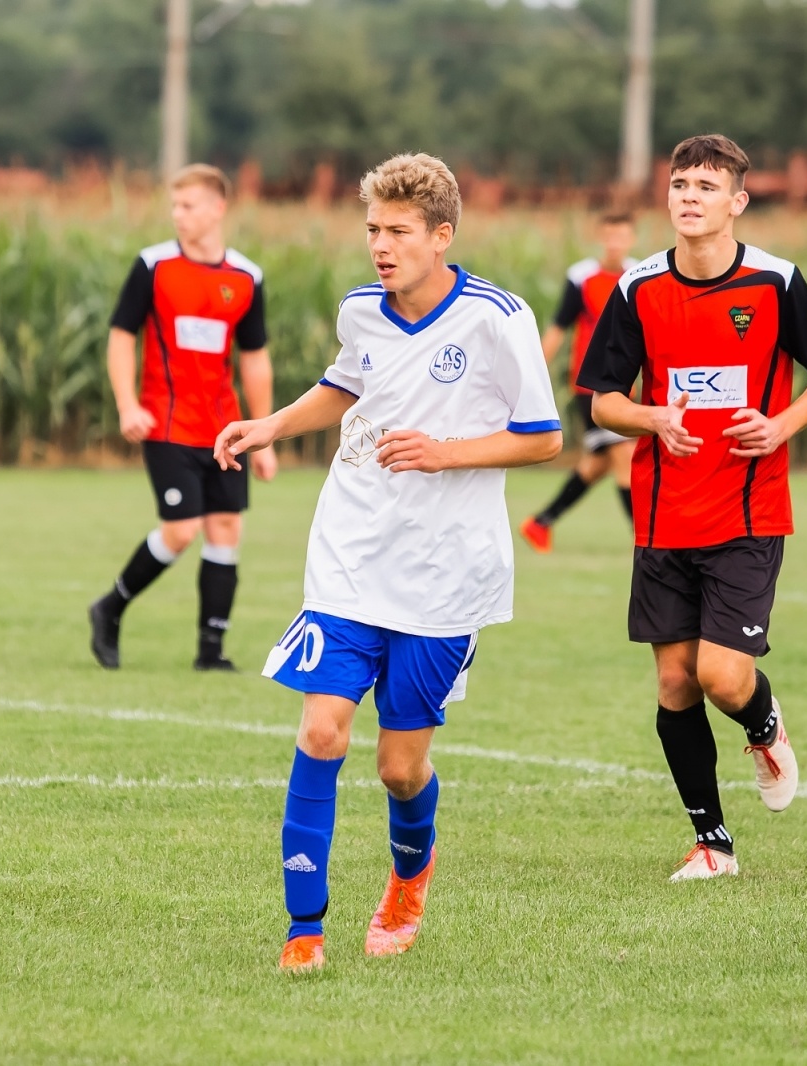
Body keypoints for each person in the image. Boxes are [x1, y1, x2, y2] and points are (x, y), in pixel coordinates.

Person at [212, 153, 562, 973]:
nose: (380, 244)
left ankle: (409, 880)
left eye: (398, 231)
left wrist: (445, 454)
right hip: (350, 556)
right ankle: (305, 930)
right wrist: (270, 425)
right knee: (322, 728)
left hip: (446, 576)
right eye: (373, 229)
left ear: (442, 236)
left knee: (400, 769)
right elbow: (343, 385)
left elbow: (544, 436)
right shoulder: (360, 311)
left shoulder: (496, 318)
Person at [576, 134, 807, 881]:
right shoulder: (636, 288)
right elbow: (603, 398)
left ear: (737, 200)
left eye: (707, 185)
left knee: (722, 679)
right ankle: (713, 844)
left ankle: (764, 725)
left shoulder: (774, 282)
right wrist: (652, 418)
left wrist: (781, 426)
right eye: (679, 183)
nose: (689, 196)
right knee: (674, 682)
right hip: (664, 513)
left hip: (747, 511)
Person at [87, 164, 277, 672]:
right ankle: (110, 608)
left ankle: (210, 653)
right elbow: (121, 337)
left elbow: (254, 359)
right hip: (166, 424)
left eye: (188, 205)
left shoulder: (246, 277)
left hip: (224, 429)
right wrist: (128, 404)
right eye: (174, 206)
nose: (179, 215)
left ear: (218, 208)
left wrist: (265, 434)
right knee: (181, 531)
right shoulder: (152, 266)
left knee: (225, 530)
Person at [519, 212, 639, 553]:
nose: (615, 243)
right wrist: (533, 377)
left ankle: (540, 522)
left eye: (622, 237)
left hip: (627, 386)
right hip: (591, 387)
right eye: (610, 236)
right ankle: (647, 541)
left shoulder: (639, 275)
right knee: (624, 456)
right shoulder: (581, 277)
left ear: (631, 239)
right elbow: (558, 329)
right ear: (601, 238)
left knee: (598, 463)